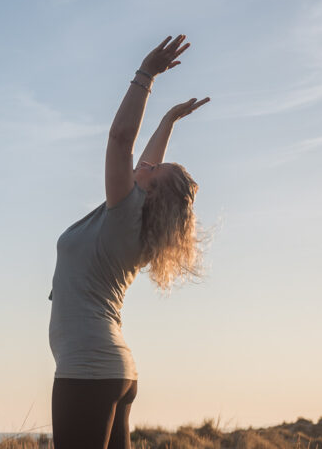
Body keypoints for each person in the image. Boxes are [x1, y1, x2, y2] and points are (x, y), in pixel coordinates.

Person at [48, 35, 209, 449]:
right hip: (114, 371)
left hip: (88, 370)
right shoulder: (135, 222)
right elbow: (144, 160)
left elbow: (121, 140)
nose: (146, 165)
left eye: (153, 171)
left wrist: (146, 75)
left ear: (150, 193)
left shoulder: (124, 215)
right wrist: (169, 119)